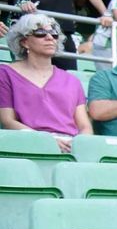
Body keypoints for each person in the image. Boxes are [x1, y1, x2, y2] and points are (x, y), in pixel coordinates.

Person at [0, 13, 92, 146]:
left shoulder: (72, 80)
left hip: (70, 146)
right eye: (40, 33)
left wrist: (79, 145)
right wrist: (47, 142)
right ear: (24, 42)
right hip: (27, 143)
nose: (49, 37)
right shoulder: (5, 73)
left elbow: (85, 126)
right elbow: (7, 121)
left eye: (54, 34)